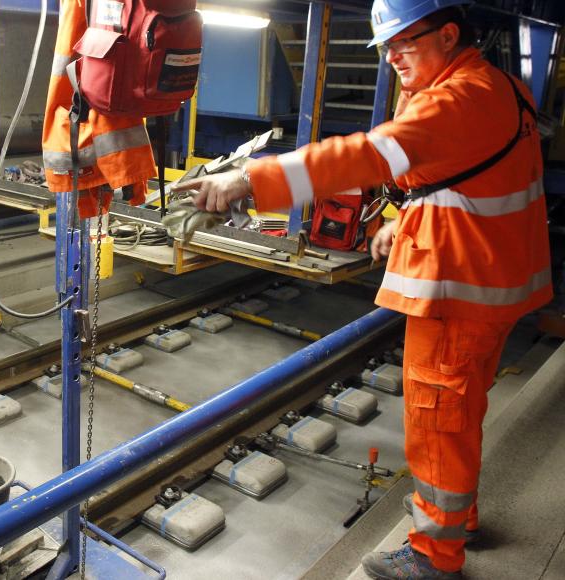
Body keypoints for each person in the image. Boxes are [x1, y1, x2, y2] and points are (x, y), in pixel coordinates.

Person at [173, 1, 552, 578]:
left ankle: (434, 554)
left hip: (461, 288)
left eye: (405, 42)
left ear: (448, 35)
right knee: (460, 406)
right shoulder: (492, 84)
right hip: (491, 274)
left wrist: (250, 180)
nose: (393, 57)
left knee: (438, 414)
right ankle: (454, 513)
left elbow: (366, 156)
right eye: (387, 48)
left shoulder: (458, 98)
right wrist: (406, 218)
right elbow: (468, 173)